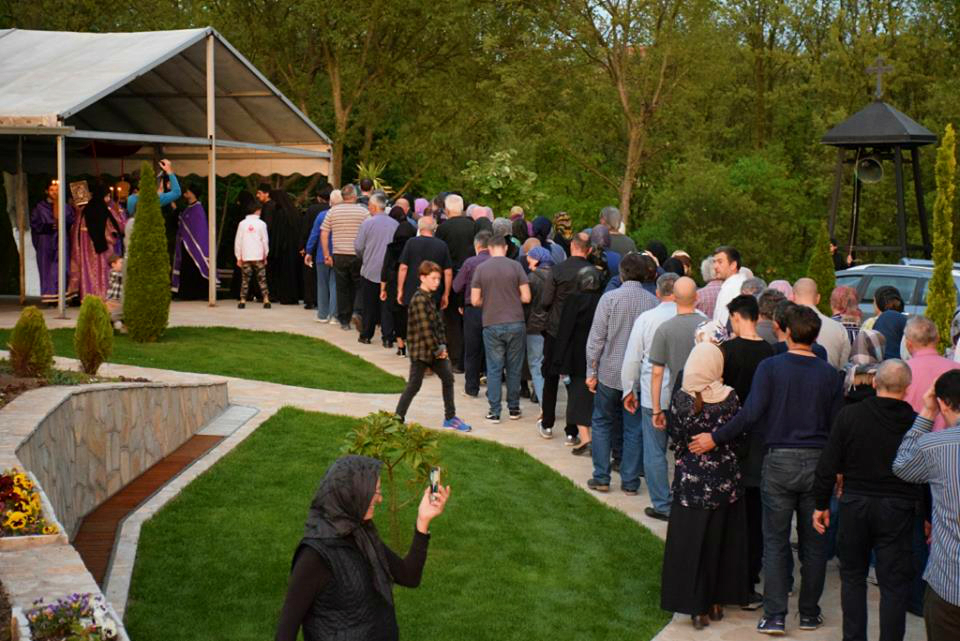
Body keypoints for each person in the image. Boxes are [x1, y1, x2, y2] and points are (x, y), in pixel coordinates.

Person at [690, 305, 844, 635]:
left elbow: (751, 413)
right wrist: (838, 469)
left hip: (779, 461)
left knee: (775, 541)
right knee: (813, 543)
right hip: (818, 464)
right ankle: (808, 612)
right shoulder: (829, 374)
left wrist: (715, 437)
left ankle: (775, 615)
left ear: (785, 331)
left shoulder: (772, 367)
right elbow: (837, 428)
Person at [275, 455, 451, 641]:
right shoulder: (315, 557)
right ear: (351, 493)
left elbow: (409, 576)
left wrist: (423, 521)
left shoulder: (362, 532)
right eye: (374, 492)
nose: (380, 499)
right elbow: (285, 633)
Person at [811, 359, 918, 641]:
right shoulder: (915, 422)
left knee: (853, 577)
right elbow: (925, 471)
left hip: (855, 503)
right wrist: (927, 514)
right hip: (898, 506)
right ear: (907, 388)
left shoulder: (850, 415)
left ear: (874, 382)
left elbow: (828, 464)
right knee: (894, 583)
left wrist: (820, 504)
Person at [661, 341, 749, 629]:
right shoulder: (730, 398)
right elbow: (740, 436)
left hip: (691, 486)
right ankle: (716, 602)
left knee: (691, 546)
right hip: (725, 484)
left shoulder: (682, 399)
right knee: (720, 543)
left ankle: (695, 607)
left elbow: (676, 435)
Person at [893, 371, 960, 641]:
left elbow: (902, 467)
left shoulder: (935, 445)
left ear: (943, 403)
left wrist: (927, 412)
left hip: (949, 581)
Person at [585, 253, 658, 493]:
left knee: (602, 422)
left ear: (622, 273)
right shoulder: (652, 302)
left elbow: (596, 339)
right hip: (637, 375)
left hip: (610, 370)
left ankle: (601, 477)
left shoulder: (610, 299)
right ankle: (630, 481)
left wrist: (591, 371)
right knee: (633, 428)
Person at [721, 295, 774, 607]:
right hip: (759, 441)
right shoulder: (769, 352)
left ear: (737, 317)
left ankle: (732, 574)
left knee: (734, 511)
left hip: (730, 437)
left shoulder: (727, 351)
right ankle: (750, 574)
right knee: (754, 513)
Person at [648, 277, 707, 517]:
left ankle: (682, 502)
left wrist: (656, 409)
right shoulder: (708, 326)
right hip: (707, 398)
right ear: (697, 297)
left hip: (680, 400)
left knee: (682, 453)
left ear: (673, 297)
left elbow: (657, 372)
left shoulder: (665, 329)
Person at [622, 272, 680, 512]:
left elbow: (633, 357)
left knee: (655, 450)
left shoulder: (647, 319)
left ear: (657, 293)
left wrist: (628, 389)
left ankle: (662, 503)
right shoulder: (698, 319)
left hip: (653, 395)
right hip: (686, 394)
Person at [394, 261, 471, 432]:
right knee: (414, 385)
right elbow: (426, 330)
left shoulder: (429, 298)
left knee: (448, 378)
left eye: (439, 279)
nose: (437, 282)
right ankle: (397, 418)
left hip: (435, 350)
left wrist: (442, 346)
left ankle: (450, 417)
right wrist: (438, 350)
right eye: (433, 278)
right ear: (423, 278)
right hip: (422, 352)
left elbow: (438, 325)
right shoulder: (419, 300)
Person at [471, 234, 531, 423]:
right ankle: (514, 408)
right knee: (514, 368)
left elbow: (474, 300)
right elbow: (527, 297)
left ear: (489, 249)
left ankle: (495, 411)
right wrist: (512, 298)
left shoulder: (481, 269)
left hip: (492, 322)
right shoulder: (516, 266)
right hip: (516, 322)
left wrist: (489, 301)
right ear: (505, 248)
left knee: (494, 368)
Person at [540, 233, 594, 444]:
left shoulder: (558, 270)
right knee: (577, 379)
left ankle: (547, 422)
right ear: (589, 250)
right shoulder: (593, 273)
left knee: (551, 377)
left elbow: (546, 300)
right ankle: (572, 429)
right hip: (581, 332)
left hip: (556, 329)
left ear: (572, 246)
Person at [554, 266, 604, 455]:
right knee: (595, 399)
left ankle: (586, 439)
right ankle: (595, 440)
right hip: (599, 356)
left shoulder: (573, 300)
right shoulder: (603, 300)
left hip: (576, 357)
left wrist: (558, 359)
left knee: (577, 397)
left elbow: (565, 330)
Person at [322, 184, 369, 330]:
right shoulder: (363, 212)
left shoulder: (332, 211)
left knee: (342, 288)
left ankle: (344, 320)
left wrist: (326, 254)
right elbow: (369, 232)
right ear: (354, 196)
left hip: (339, 254)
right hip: (357, 254)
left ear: (343, 197)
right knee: (358, 286)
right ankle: (357, 311)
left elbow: (324, 233)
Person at [436, 194, 475, 373]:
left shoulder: (443, 228)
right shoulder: (473, 226)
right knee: (468, 319)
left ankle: (456, 359)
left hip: (451, 277)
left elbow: (439, 254)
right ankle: (468, 358)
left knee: (452, 320)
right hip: (472, 276)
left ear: (447, 209)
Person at [355, 193, 398, 346]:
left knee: (369, 305)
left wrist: (364, 257)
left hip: (370, 269)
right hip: (388, 271)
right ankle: (387, 337)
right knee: (387, 306)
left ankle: (366, 334)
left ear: (373, 207)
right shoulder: (395, 224)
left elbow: (358, 247)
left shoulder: (367, 223)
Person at [452, 231, 492, 397]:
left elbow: (456, 286)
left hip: (473, 309)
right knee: (493, 350)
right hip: (494, 309)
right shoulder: (499, 262)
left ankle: (471, 387)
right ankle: (493, 387)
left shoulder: (470, 262)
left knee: (472, 349)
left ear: (477, 246)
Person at [904, 316, 959, 430]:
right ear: (938, 339)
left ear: (908, 344)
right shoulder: (956, 369)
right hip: (952, 439)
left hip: (910, 437)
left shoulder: (899, 371)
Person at [68, 183, 122, 299]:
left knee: (88, 272)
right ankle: (103, 296)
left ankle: (88, 297)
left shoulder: (83, 211)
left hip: (85, 250)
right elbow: (116, 228)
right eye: (107, 196)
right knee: (103, 273)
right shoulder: (105, 210)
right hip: (103, 249)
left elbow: (74, 231)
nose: (108, 199)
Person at [30, 180, 75, 306]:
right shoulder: (40, 207)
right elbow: (35, 223)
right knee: (48, 270)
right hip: (46, 242)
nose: (54, 192)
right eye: (52, 190)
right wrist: (48, 227)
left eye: (57, 190)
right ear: (46, 191)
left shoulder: (65, 207)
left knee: (63, 268)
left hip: (61, 241)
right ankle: (51, 299)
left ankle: (62, 297)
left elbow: (72, 221)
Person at [380, 207, 417, 356]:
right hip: (410, 282)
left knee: (396, 313)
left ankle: (400, 345)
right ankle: (410, 343)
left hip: (393, 282)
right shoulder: (414, 247)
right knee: (409, 314)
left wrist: (382, 288)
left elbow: (385, 267)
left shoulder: (391, 248)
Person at [793, 278, 851, 369]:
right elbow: (844, 366)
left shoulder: (785, 326)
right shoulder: (838, 328)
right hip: (830, 376)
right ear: (818, 298)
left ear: (793, 297)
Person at [524, 246, 554, 412]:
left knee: (536, 366)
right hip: (553, 327)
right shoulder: (557, 275)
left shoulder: (532, 278)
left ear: (537, 260)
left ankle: (545, 406)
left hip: (534, 326)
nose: (528, 265)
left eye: (530, 261)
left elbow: (526, 303)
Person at [171, 183, 212, 300]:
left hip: (195, 246)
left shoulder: (198, 209)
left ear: (193, 193)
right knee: (187, 269)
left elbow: (199, 230)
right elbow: (182, 222)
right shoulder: (188, 209)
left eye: (187, 191)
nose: (185, 193)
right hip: (186, 245)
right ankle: (186, 293)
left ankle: (195, 294)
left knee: (194, 269)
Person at [305, 189, 340, 323]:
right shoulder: (342, 216)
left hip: (322, 254)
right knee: (335, 284)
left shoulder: (322, 215)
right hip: (338, 253)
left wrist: (308, 251)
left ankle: (322, 314)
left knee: (322, 284)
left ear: (330, 201)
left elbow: (314, 234)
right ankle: (334, 315)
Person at [234, 199, 271, 309]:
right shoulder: (262, 224)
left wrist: (238, 257)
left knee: (245, 279)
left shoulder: (242, 224)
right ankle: (266, 300)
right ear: (257, 210)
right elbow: (265, 241)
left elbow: (238, 241)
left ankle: (242, 300)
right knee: (262, 278)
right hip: (258, 255)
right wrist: (266, 255)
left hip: (246, 255)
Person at [711, 246, 746, 328]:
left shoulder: (732, 288)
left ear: (733, 265)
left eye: (720, 262)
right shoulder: (734, 284)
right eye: (714, 262)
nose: (715, 266)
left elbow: (721, 325)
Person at [870, 286, 908, 360]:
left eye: (874, 301)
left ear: (878, 302)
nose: (873, 304)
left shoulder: (882, 319)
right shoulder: (904, 319)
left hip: (886, 363)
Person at [105, 254, 124, 329]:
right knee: (112, 312)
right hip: (113, 300)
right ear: (113, 264)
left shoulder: (121, 272)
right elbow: (121, 276)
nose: (123, 264)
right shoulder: (113, 272)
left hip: (120, 300)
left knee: (118, 312)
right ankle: (114, 320)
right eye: (121, 262)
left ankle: (116, 321)